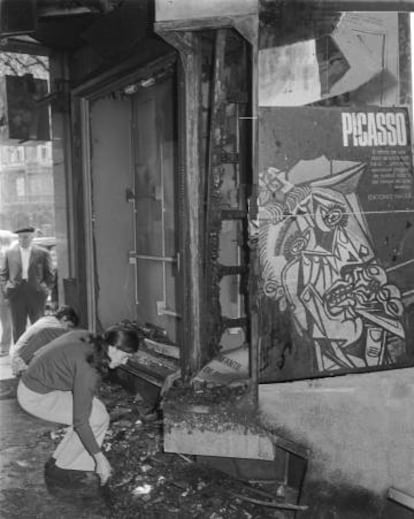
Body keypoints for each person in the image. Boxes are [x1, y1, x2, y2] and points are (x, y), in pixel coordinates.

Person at [17, 325, 139, 491]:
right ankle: (65, 471)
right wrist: (100, 460)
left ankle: (59, 462)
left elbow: (47, 333)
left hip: (42, 384)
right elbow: (80, 422)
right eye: (125, 356)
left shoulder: (88, 336)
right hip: (34, 396)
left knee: (98, 412)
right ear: (112, 347)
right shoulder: (88, 367)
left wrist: (26, 358)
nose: (124, 362)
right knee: (96, 418)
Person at [0, 226, 54, 342]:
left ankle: (37, 352)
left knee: (37, 325)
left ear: (32, 237)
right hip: (16, 293)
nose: (22, 240)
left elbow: (49, 274)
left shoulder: (42, 253)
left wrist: (45, 290)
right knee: (18, 326)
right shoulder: (10, 253)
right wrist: (6, 289)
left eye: (25, 237)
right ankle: (19, 354)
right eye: (20, 237)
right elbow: (4, 274)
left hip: (36, 293)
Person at [10, 305, 79, 377]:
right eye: (68, 325)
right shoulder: (55, 325)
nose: (66, 328)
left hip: (18, 357)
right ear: (65, 318)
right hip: (22, 360)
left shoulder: (48, 320)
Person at [0, 233, 16, 356]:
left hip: (4, 294)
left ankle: (5, 348)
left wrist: (6, 296)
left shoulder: (5, 257)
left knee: (6, 321)